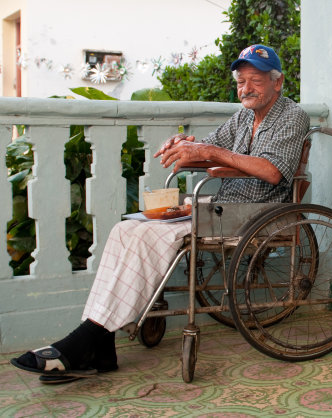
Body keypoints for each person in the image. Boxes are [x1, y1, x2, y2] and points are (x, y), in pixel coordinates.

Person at [10, 44, 310, 383]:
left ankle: (90, 341)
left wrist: (209, 151)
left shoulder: (291, 115)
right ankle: (100, 339)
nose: (246, 89)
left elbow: (271, 171)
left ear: (278, 82)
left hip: (258, 212)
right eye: (241, 81)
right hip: (223, 208)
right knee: (126, 230)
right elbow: (204, 151)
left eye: (255, 80)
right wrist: (184, 147)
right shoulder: (242, 117)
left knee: (155, 236)